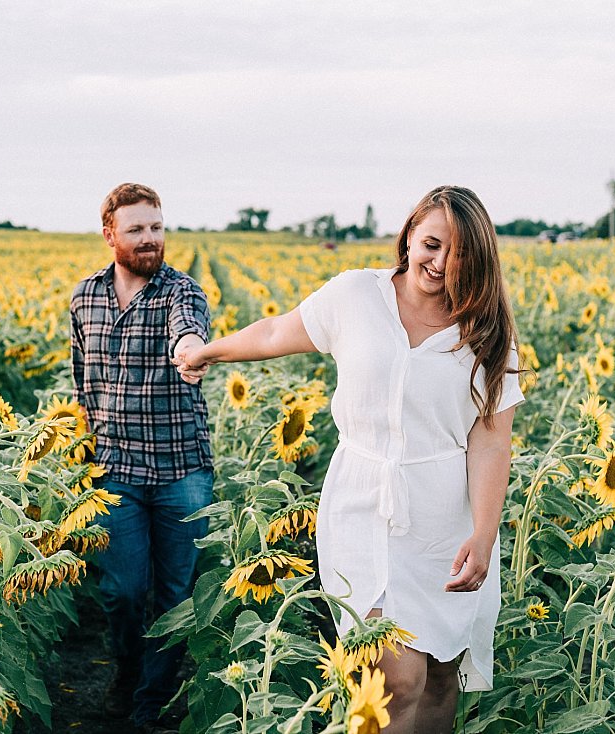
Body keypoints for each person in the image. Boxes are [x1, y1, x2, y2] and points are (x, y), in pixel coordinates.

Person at [175, 186, 523, 733]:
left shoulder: (486, 330)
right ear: (408, 235)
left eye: (458, 255)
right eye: (431, 244)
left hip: (447, 517)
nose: (439, 263)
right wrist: (206, 352)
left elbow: (490, 441)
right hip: (362, 501)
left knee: (438, 675)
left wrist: (484, 533)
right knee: (392, 677)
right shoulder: (357, 296)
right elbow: (274, 331)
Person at [69, 183, 214, 733]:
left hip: (181, 468)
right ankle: (128, 674)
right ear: (111, 235)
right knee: (123, 591)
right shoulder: (86, 297)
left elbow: (188, 330)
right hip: (116, 471)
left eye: (156, 227)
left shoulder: (182, 292)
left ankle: (151, 700)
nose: (150, 239)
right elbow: (83, 379)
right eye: (137, 229)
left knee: (175, 596)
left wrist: (188, 352)